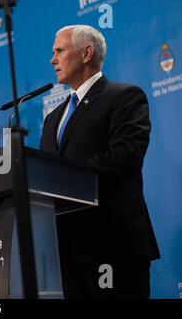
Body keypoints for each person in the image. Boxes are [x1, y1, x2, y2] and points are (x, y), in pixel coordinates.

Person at [40, 25, 160, 298]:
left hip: (113, 245)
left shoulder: (124, 97)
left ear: (86, 53)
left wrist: (64, 177)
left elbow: (125, 158)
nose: (52, 59)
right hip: (67, 253)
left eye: (59, 51)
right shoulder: (52, 119)